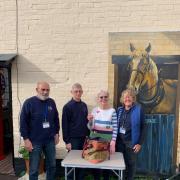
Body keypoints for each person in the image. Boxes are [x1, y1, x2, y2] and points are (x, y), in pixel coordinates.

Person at [20, 81, 60, 180]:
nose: (45, 92)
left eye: (47, 90)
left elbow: (56, 119)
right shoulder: (29, 103)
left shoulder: (51, 102)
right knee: (33, 169)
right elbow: (23, 122)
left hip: (49, 140)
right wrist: (26, 139)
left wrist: (56, 133)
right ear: (37, 90)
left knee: (52, 166)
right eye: (43, 89)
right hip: (35, 141)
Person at [87, 90, 118, 180]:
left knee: (106, 165)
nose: (103, 99)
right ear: (98, 99)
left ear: (108, 98)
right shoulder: (94, 110)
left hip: (107, 142)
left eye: (105, 97)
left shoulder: (112, 111)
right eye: (101, 97)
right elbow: (90, 127)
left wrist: (113, 142)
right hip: (95, 141)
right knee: (96, 163)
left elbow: (115, 128)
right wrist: (89, 121)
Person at [116, 88, 145, 180]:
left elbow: (143, 127)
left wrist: (139, 143)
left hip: (132, 142)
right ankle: (122, 178)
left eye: (130, 97)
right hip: (120, 141)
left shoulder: (138, 109)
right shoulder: (119, 110)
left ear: (133, 99)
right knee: (120, 162)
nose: (127, 99)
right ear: (122, 99)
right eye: (125, 97)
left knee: (131, 163)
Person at [62, 83, 89, 180]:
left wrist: (88, 135)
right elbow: (64, 125)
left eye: (80, 91)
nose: (78, 93)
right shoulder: (67, 107)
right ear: (72, 92)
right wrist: (67, 141)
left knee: (83, 161)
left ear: (82, 92)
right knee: (72, 162)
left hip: (84, 139)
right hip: (73, 139)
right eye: (76, 91)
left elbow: (86, 122)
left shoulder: (84, 105)